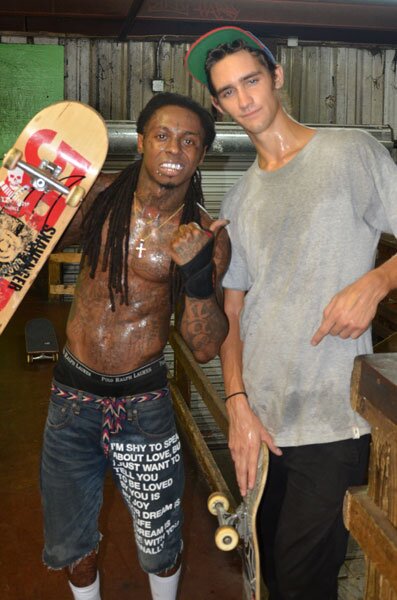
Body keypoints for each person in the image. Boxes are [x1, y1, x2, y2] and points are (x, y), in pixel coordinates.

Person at [185, 26, 397, 599]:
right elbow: (233, 309)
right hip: (260, 422)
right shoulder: (240, 197)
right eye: (228, 92)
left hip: (331, 419)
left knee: (304, 578)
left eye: (251, 81)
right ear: (218, 103)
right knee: (269, 574)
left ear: (277, 77)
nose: (244, 99)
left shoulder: (350, 153)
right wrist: (236, 406)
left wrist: (377, 282)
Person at [40, 92, 230, 600]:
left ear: (201, 155)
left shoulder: (204, 236)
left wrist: (195, 275)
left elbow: (205, 345)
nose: (175, 148)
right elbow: (31, 239)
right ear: (142, 141)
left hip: (143, 406)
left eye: (189, 140)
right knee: (70, 543)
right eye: (163, 135)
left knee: (159, 541)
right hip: (70, 399)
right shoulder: (100, 199)